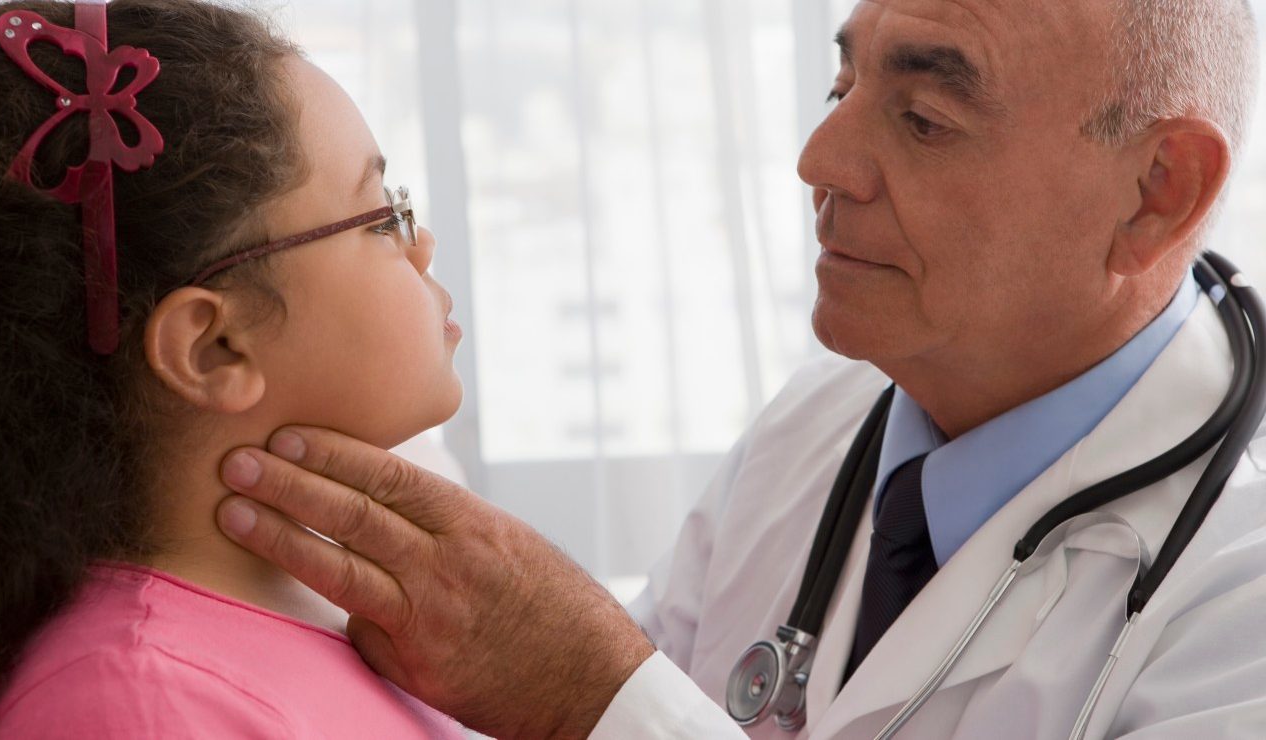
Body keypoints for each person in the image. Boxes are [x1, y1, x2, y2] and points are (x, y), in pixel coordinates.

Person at [214, 0, 1266, 737]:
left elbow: (617, 701)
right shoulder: (820, 420)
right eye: (839, 80)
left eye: (920, 119)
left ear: (1155, 192)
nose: (819, 159)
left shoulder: (1237, 597)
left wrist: (590, 693)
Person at [0, 1, 464, 736]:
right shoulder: (133, 704)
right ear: (215, 347)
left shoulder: (369, 621)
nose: (421, 243)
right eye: (379, 218)